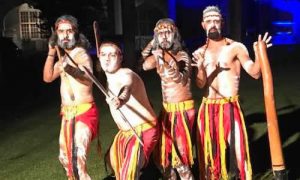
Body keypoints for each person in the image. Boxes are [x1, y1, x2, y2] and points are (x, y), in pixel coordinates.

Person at [192, 6, 272, 180]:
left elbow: (255, 72)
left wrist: (260, 53)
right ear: (203, 25)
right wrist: (199, 69)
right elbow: (200, 84)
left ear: (222, 22)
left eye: (216, 20)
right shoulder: (199, 53)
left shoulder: (236, 47)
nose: (213, 24)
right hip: (207, 109)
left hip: (229, 106)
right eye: (209, 21)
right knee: (210, 154)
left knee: (239, 150)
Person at [43, 15, 99, 180]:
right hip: (67, 115)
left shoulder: (79, 53)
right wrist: (51, 53)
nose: (65, 35)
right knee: (65, 158)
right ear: (56, 35)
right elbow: (47, 78)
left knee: (76, 157)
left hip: (84, 112)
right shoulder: (63, 57)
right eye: (61, 32)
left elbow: (88, 79)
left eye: (69, 31)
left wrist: (70, 69)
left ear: (76, 33)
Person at [141, 18, 195, 180]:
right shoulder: (159, 56)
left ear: (175, 35)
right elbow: (143, 64)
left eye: (168, 33)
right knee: (161, 158)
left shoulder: (183, 56)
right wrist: (154, 42)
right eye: (160, 34)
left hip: (183, 112)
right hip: (167, 112)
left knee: (179, 159)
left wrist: (163, 61)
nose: (164, 37)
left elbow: (180, 78)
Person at [98, 42, 159, 180]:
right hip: (125, 132)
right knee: (112, 161)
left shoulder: (126, 73)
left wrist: (120, 99)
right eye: (103, 55)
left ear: (120, 58)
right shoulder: (109, 78)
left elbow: (127, 88)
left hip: (143, 130)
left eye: (112, 55)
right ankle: (151, 168)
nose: (107, 58)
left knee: (128, 174)